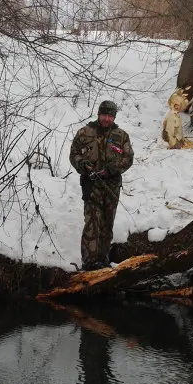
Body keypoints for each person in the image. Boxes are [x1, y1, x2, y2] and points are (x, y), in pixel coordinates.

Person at [69, 100, 134, 270]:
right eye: (104, 115)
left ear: (114, 117)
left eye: (110, 116)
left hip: (111, 187)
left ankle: (103, 260)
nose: (107, 119)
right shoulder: (84, 133)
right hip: (91, 186)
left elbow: (128, 159)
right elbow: (74, 154)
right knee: (92, 223)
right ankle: (89, 263)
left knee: (107, 224)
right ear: (99, 114)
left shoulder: (122, 136)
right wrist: (83, 166)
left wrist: (111, 170)